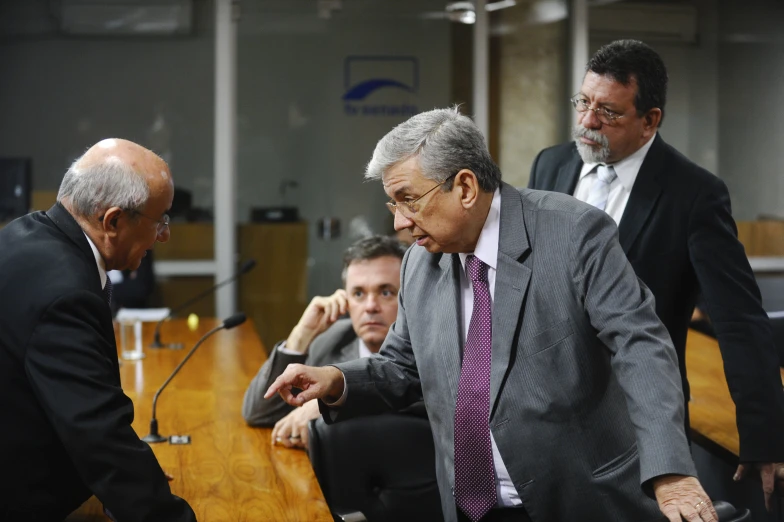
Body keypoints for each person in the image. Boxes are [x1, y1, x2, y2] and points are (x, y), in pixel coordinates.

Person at [265, 107, 718, 522]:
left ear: (464, 187)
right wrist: (337, 380)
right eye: (393, 205)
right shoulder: (420, 262)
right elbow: (402, 367)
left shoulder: (574, 233)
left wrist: (671, 471)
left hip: (579, 501)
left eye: (409, 200)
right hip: (469, 508)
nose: (400, 222)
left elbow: (641, 347)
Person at [527, 39, 784, 507]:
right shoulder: (551, 164)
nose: (587, 122)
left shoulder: (694, 194)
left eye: (608, 112)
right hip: (548, 409)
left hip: (640, 416)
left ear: (650, 120)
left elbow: (739, 319)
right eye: (583, 103)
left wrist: (765, 434)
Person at [0, 139, 196, 521]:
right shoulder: (66, 292)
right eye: (161, 221)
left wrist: (133, 474)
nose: (164, 236)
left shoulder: (23, 233)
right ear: (114, 221)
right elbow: (96, 432)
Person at [242, 235, 407, 449]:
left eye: (386, 292)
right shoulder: (332, 339)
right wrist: (301, 335)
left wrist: (326, 407)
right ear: (345, 299)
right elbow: (259, 413)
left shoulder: (427, 349)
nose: (370, 306)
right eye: (358, 293)